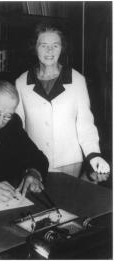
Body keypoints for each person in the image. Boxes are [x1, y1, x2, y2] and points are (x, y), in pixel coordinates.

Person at [15, 23, 110, 181]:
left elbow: (85, 123)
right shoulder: (21, 82)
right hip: (35, 167)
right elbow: (18, 129)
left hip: (71, 164)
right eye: (43, 45)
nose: (50, 51)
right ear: (35, 48)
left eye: (55, 45)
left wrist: (94, 154)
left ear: (61, 48)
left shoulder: (77, 80)